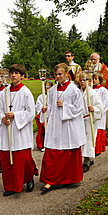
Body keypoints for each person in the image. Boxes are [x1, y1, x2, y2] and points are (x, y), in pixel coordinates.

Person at [40, 63, 86, 192]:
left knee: (68, 152)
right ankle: (50, 180)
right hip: (56, 125)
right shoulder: (53, 89)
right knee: (52, 152)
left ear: (66, 74)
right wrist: (46, 109)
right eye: (55, 74)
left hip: (69, 126)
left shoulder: (74, 89)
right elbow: (50, 106)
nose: (57, 76)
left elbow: (79, 108)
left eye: (60, 74)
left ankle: (69, 179)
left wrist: (65, 105)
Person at [0, 64, 38, 197]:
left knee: (22, 158)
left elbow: (30, 111)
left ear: (22, 76)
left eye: (17, 73)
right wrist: (2, 118)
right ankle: (10, 185)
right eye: (12, 73)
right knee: (7, 159)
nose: (13, 75)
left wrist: (16, 115)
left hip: (20, 130)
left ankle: (28, 178)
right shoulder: (4, 92)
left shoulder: (25, 92)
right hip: (7, 130)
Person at [87, 52, 108, 131]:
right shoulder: (89, 67)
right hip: (92, 90)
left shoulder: (103, 67)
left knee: (104, 108)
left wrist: (98, 88)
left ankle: (107, 126)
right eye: (91, 59)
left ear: (99, 59)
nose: (93, 61)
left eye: (94, 59)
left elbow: (106, 79)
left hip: (102, 90)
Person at [79, 73, 103, 173]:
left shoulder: (93, 93)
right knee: (81, 139)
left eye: (84, 80)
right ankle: (82, 158)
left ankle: (87, 160)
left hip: (90, 119)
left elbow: (100, 106)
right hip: (80, 119)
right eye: (81, 80)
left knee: (89, 139)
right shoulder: (78, 92)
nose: (82, 82)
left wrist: (94, 109)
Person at [92, 72, 108, 156]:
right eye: (93, 78)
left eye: (96, 79)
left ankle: (98, 148)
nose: (94, 80)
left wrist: (99, 111)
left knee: (98, 129)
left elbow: (105, 103)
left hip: (100, 114)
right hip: (91, 113)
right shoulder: (90, 89)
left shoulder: (103, 90)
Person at [35, 80, 54, 152]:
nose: (48, 88)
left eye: (49, 87)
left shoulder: (53, 96)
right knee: (43, 131)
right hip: (44, 116)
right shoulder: (41, 96)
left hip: (51, 116)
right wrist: (42, 108)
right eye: (46, 87)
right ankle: (43, 144)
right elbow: (38, 105)